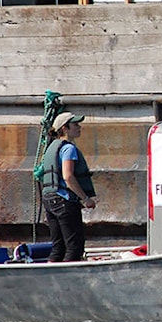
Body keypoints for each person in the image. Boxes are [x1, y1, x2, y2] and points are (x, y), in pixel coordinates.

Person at [39, 111, 97, 261]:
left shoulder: (52, 147)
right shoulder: (68, 149)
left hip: (49, 198)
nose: (79, 127)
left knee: (58, 246)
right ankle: (72, 280)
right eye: (75, 125)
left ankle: (52, 277)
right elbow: (68, 176)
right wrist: (85, 199)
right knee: (74, 245)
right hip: (64, 200)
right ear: (65, 128)